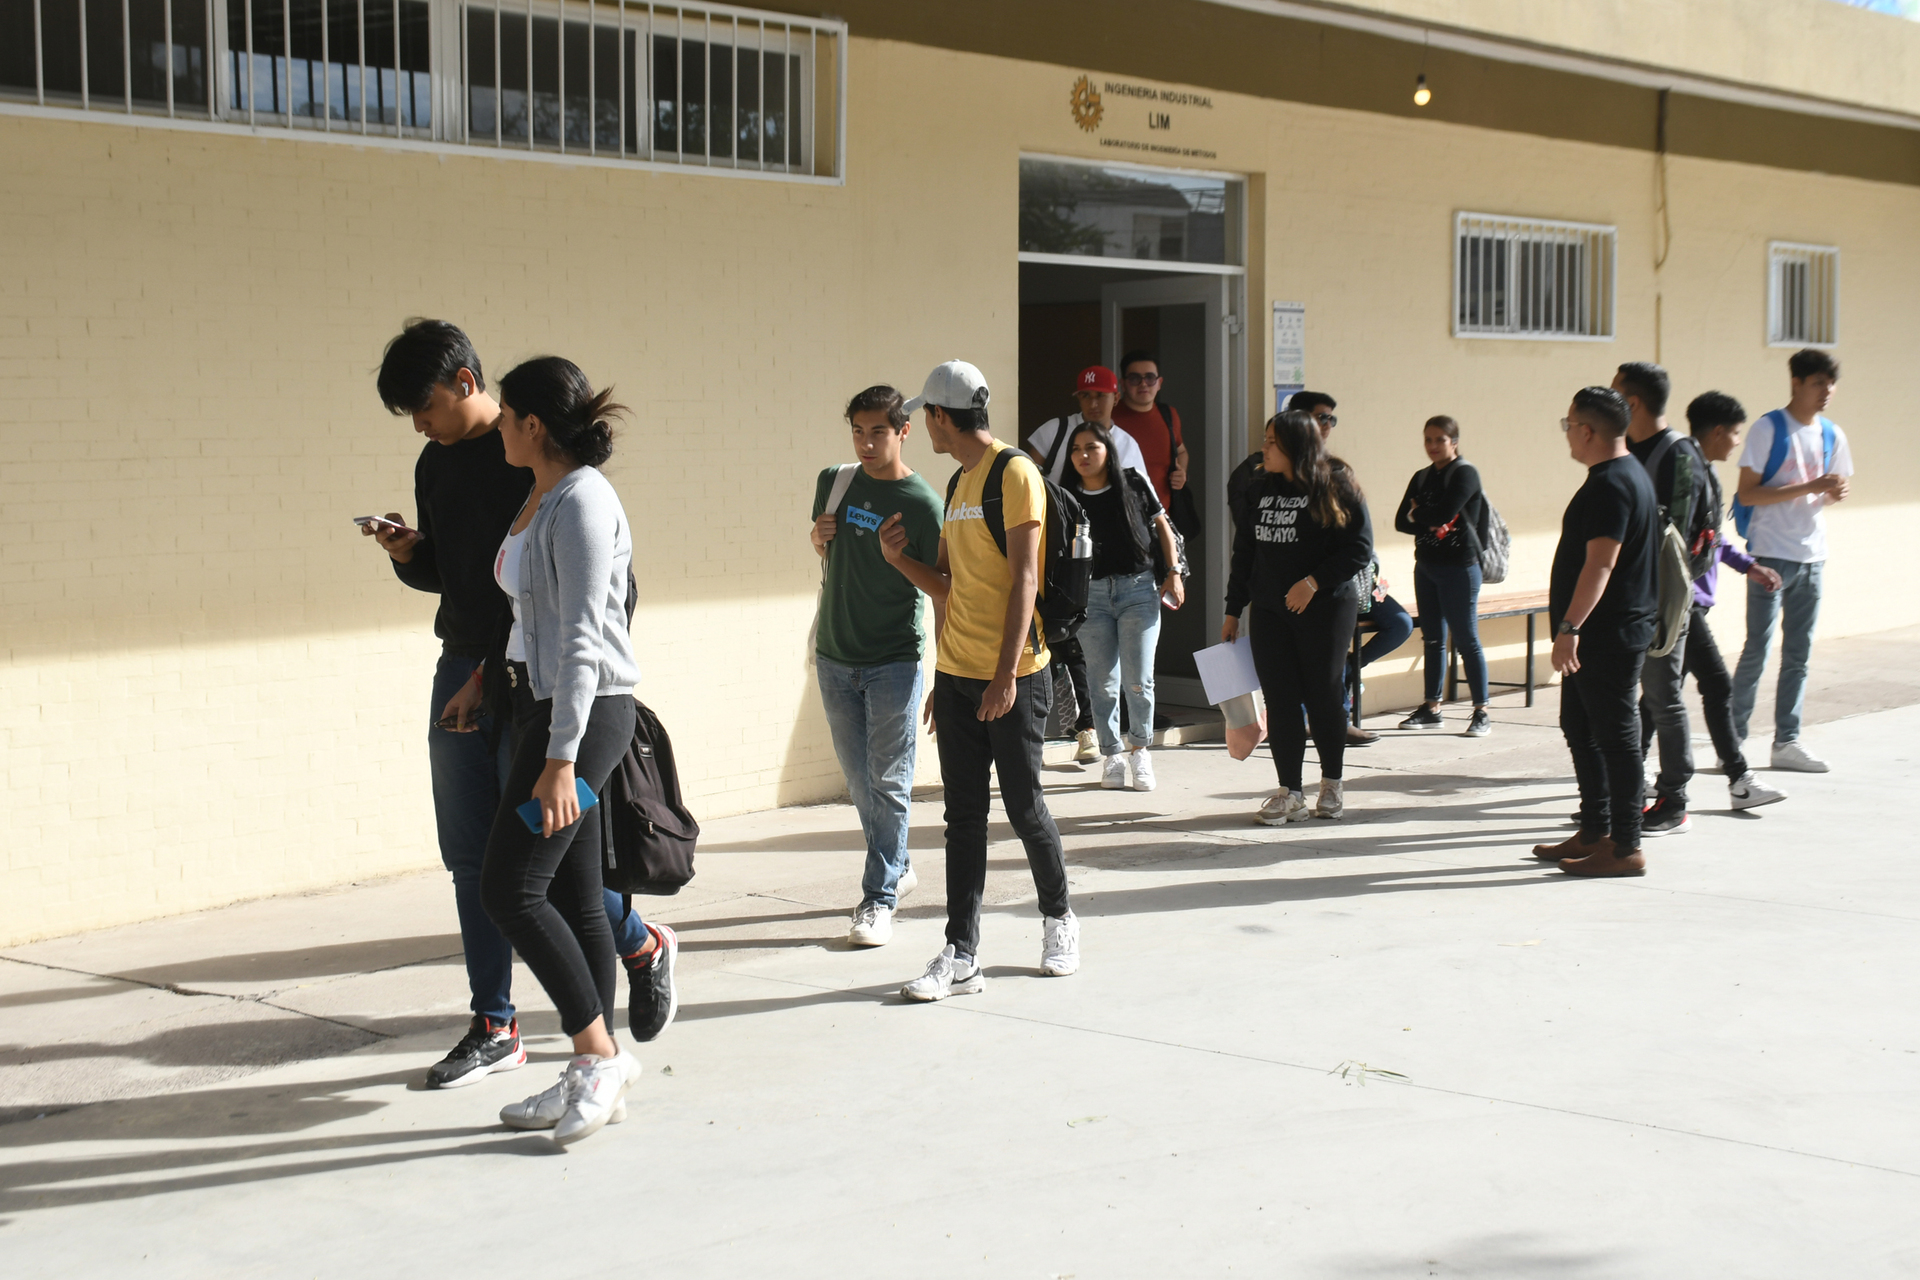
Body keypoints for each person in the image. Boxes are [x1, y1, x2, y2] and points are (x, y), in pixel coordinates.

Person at [366, 321, 671, 1093]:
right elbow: (473, 580)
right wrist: (413, 557)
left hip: (549, 695)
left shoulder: (555, 484)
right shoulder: (446, 466)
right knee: (481, 859)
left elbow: (589, 619)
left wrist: (566, 740)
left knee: (538, 874)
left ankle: (615, 1004)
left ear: (470, 383)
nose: (419, 423)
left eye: (425, 404)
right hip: (480, 671)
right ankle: (505, 1026)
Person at [478, 356, 645, 1146]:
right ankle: (594, 1068)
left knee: (510, 889)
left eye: (507, 416)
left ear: (533, 425)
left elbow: (581, 638)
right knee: (577, 897)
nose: (499, 428)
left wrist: (560, 759)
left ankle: (596, 1055)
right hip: (541, 706)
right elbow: (532, 617)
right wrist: (489, 681)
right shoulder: (542, 496)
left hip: (581, 716)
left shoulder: (581, 501)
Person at [893, 360, 1078, 1002]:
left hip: (1016, 675)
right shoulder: (956, 484)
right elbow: (949, 585)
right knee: (963, 818)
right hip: (958, 676)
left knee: (1026, 810)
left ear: (944, 417)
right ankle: (961, 952)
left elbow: (1025, 578)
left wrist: (1003, 677)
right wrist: (899, 561)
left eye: (927, 417)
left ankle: (1059, 920)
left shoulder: (1014, 473)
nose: (924, 427)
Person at [809, 385, 946, 948]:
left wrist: (945, 672)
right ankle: (897, 864)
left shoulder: (922, 504)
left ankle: (878, 898)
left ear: (903, 432)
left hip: (895, 660)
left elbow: (945, 591)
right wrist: (818, 539)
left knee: (888, 782)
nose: (867, 443)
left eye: (879, 432)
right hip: (835, 655)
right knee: (861, 782)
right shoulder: (833, 481)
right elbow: (831, 552)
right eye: (859, 432)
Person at [1532, 387, 1661, 878]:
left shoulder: (1612, 483)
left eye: (1568, 425)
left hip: (1605, 634)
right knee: (1581, 727)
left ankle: (1625, 845)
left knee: (1616, 737)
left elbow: (1601, 564)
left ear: (1587, 430)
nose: (1566, 433)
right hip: (1598, 635)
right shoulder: (1623, 475)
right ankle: (1595, 829)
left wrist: (1570, 626)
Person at [1221, 410, 1373, 825]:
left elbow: (1359, 548)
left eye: (1272, 441)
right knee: (1281, 700)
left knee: (1324, 695)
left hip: (1324, 608)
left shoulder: (1336, 484)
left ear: (1296, 446)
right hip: (1271, 610)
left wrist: (1314, 582)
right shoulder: (1258, 487)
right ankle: (1290, 791)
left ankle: (1332, 784)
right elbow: (1246, 553)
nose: (1264, 448)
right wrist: (1234, 608)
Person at [1659, 392, 1788, 811]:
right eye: (1734, 433)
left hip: (1690, 600)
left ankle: (1626, 773)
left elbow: (1713, 537)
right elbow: (1678, 540)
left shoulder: (1704, 472)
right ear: (1717, 431)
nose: (1737, 442)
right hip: (1684, 603)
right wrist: (1685, 593)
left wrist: (1748, 566)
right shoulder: (1690, 472)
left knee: (1660, 696)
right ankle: (1738, 778)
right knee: (1716, 685)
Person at [1730, 348, 1854, 773]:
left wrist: (1833, 492)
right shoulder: (1769, 428)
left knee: (1798, 655)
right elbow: (1748, 493)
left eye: (1831, 384)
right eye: (1819, 382)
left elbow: (1828, 492)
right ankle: (1734, 740)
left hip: (1813, 556)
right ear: (1796, 383)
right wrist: (1811, 485)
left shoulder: (1832, 434)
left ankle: (1787, 741)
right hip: (1769, 556)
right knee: (1757, 650)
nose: (1827, 391)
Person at [1028, 365, 1150, 764]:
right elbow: (1022, 477)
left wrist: (1168, 572)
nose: (1094, 403)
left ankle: (1099, 734)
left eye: (1101, 396)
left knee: (1121, 670)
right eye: (1086, 396)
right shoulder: (1057, 432)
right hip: (1064, 560)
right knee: (1073, 645)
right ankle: (1090, 729)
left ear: (1116, 398)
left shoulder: (1127, 445)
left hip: (1118, 574)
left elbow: (1147, 509)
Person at [1615, 361, 1717, 837]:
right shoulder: (1627, 449)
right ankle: (1624, 797)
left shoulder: (1678, 455)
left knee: (1663, 697)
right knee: (1634, 700)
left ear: (1632, 403)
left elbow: (1676, 536)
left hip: (1665, 600)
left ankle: (1674, 798)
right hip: (1627, 596)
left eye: (1616, 394)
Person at [1059, 419, 1186, 791]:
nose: (1083, 455)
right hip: (1092, 596)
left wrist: (1174, 572)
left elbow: (1162, 525)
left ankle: (1140, 750)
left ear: (1107, 451)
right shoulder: (1066, 494)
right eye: (1076, 449)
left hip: (1138, 590)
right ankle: (1112, 755)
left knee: (1138, 680)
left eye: (1091, 447)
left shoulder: (1132, 482)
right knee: (1102, 682)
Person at [1392, 415, 1492, 737]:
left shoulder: (1465, 473)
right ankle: (1432, 706)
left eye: (1440, 440)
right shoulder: (1422, 477)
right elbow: (1399, 522)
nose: (1433, 446)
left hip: (1460, 568)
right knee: (1433, 638)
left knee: (1466, 640)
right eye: (1428, 440)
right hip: (1426, 566)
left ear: (1454, 442)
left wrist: (1420, 513)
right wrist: (1427, 520)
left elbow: (1442, 514)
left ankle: (1481, 711)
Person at [1110, 349, 1191, 510]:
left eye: (1150, 377)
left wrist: (1181, 474)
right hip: (1120, 516)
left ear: (1159, 383)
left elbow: (1181, 451)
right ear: (1123, 384)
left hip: (1163, 518)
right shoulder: (1109, 417)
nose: (1143, 384)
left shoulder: (1169, 415)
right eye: (1134, 378)